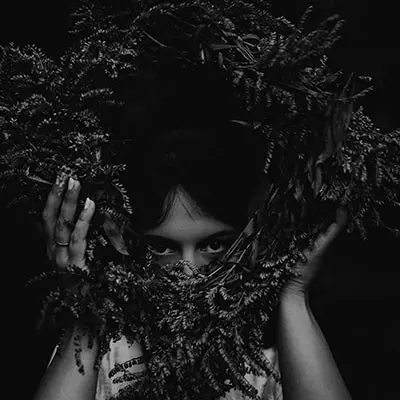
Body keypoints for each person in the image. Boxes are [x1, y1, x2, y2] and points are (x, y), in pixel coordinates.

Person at [33, 64, 351, 400]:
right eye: (162, 248)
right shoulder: (105, 354)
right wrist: (84, 314)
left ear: (250, 241)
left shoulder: (279, 362)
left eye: (214, 245)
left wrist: (293, 293)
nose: (188, 274)